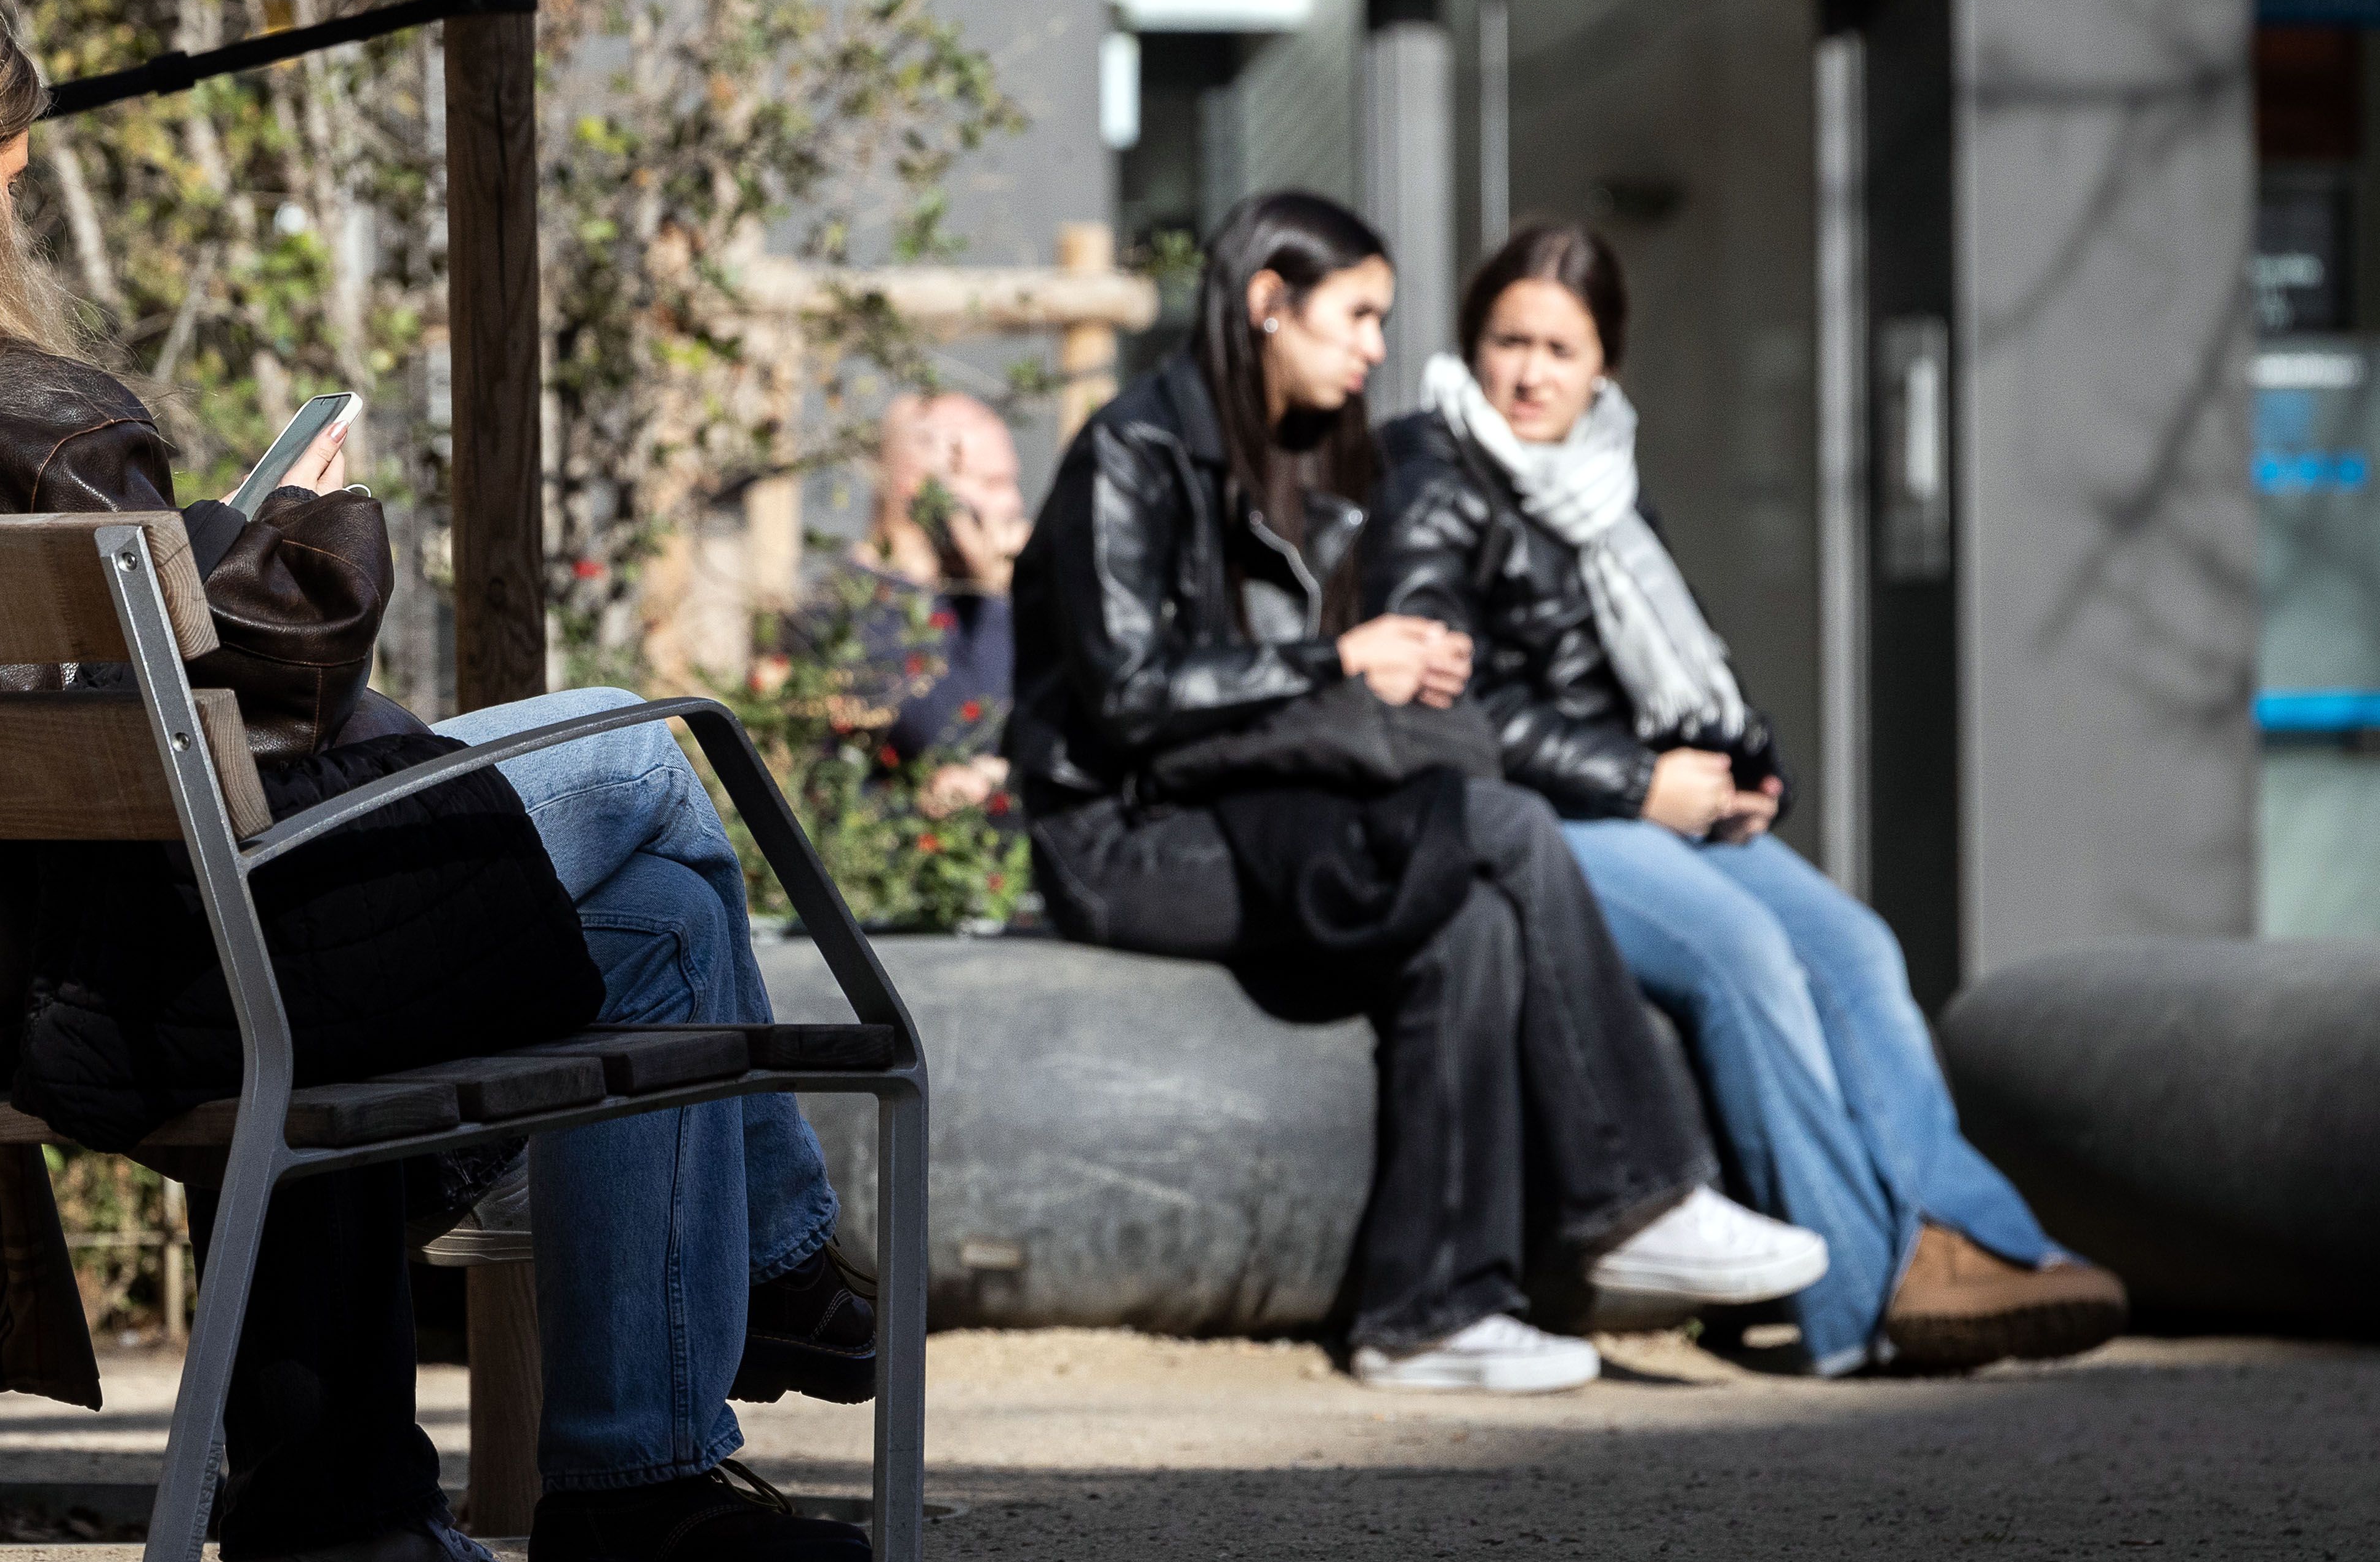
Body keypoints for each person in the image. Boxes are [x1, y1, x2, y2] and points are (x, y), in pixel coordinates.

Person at [0, 0, 872, 1562]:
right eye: (0, 152)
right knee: (646, 757)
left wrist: (196, 550)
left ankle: (556, 1506)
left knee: (650, 933)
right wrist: (306, 539)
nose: (21, 182)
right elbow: (258, 705)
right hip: (97, 979)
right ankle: (759, 1297)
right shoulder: (35, 426)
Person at [1003, 190, 1832, 1394]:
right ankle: (1634, 1189)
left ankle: (1430, 1311)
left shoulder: (1310, 459)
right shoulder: (1132, 451)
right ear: (1266, 305)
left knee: (1477, 914)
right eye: (1359, 315)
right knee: (1503, 823)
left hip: (1260, 808)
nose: (1378, 346)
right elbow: (1131, 694)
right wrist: (1340, 659)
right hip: (1132, 836)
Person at [1375, 222, 2129, 1375]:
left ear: (1602, 370)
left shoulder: (1600, 480)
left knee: (1855, 943)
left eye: (1558, 350)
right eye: (1505, 340)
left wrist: (1738, 758)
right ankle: (1864, 1293)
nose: (1527, 373)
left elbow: (1668, 663)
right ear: (1470, 346)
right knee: (1741, 953)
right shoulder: (1428, 473)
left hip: (1648, 800)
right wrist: (1639, 782)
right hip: (1536, 813)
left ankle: (1963, 1239)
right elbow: (1442, 699)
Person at [779, 390, 1029, 818]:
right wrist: (994, 594)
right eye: (991, 482)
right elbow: (961, 734)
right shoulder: (849, 606)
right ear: (916, 483)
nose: (1013, 504)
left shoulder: (958, 596)